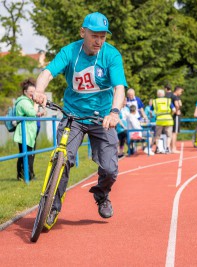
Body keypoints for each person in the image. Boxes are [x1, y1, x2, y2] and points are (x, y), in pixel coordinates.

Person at [33, 12, 128, 226]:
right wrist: (39, 91)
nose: (99, 41)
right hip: (72, 116)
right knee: (62, 159)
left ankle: (102, 194)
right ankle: (50, 209)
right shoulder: (70, 52)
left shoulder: (111, 55)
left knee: (110, 169)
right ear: (82, 32)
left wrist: (114, 112)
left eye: (103, 36)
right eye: (95, 35)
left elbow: (119, 88)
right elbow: (47, 73)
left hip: (102, 118)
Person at [14, 78, 39, 181]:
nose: (33, 94)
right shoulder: (23, 102)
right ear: (25, 92)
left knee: (27, 154)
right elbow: (32, 113)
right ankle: (25, 176)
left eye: (34, 92)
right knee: (26, 154)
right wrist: (36, 104)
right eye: (31, 92)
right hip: (25, 132)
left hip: (28, 132)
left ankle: (26, 175)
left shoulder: (27, 101)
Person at [152, 89, 176, 153]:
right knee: (169, 135)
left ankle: (157, 148)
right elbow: (174, 109)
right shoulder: (168, 100)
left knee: (157, 135)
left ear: (157, 95)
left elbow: (151, 111)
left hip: (159, 120)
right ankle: (167, 148)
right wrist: (170, 114)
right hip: (168, 119)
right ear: (164, 94)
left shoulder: (155, 101)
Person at [171, 86, 184, 153]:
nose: (181, 93)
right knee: (174, 132)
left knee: (173, 132)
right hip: (176, 115)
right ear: (177, 90)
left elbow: (180, 104)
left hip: (172, 115)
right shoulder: (175, 97)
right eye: (181, 92)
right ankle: (173, 148)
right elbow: (178, 105)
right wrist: (177, 110)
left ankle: (172, 147)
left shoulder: (173, 96)